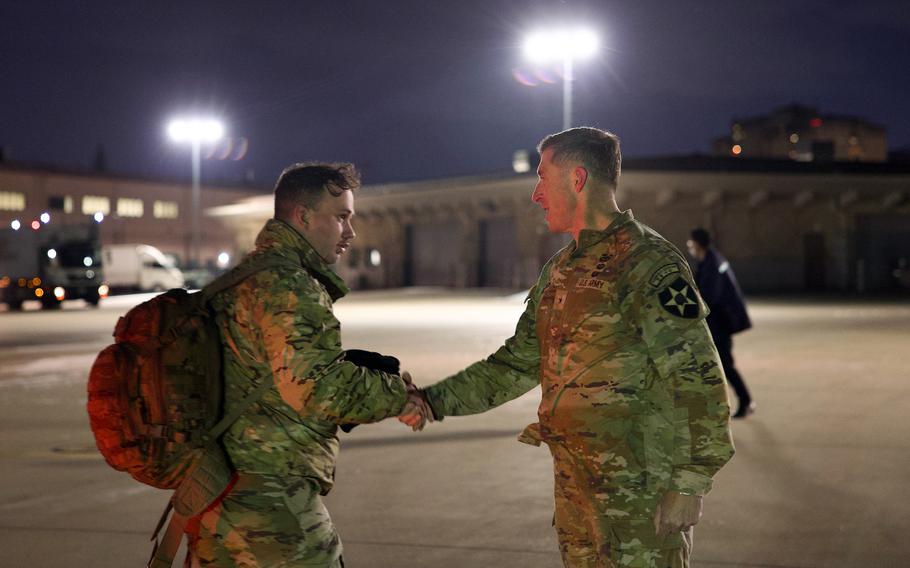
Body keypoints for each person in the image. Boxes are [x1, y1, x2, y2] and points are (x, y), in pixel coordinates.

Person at [401, 128, 735, 568]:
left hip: (639, 497)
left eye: (542, 177)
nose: (536, 194)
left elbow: (698, 375)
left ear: (577, 179)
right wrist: (430, 400)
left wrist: (690, 482)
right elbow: (516, 364)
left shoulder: (646, 262)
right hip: (577, 490)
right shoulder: (560, 270)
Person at [186, 162, 413, 567]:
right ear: (304, 216)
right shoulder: (291, 284)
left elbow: (263, 371)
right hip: (271, 507)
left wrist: (341, 365)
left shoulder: (242, 277)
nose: (350, 232)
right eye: (341, 217)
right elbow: (315, 391)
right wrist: (396, 393)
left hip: (217, 492)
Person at [686, 228, 755, 419]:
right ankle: (732, 402)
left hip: (720, 325)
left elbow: (710, 296)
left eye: (690, 244)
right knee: (716, 366)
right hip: (718, 323)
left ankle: (745, 400)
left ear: (697, 244)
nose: (689, 248)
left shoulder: (711, 264)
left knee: (725, 365)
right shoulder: (711, 260)